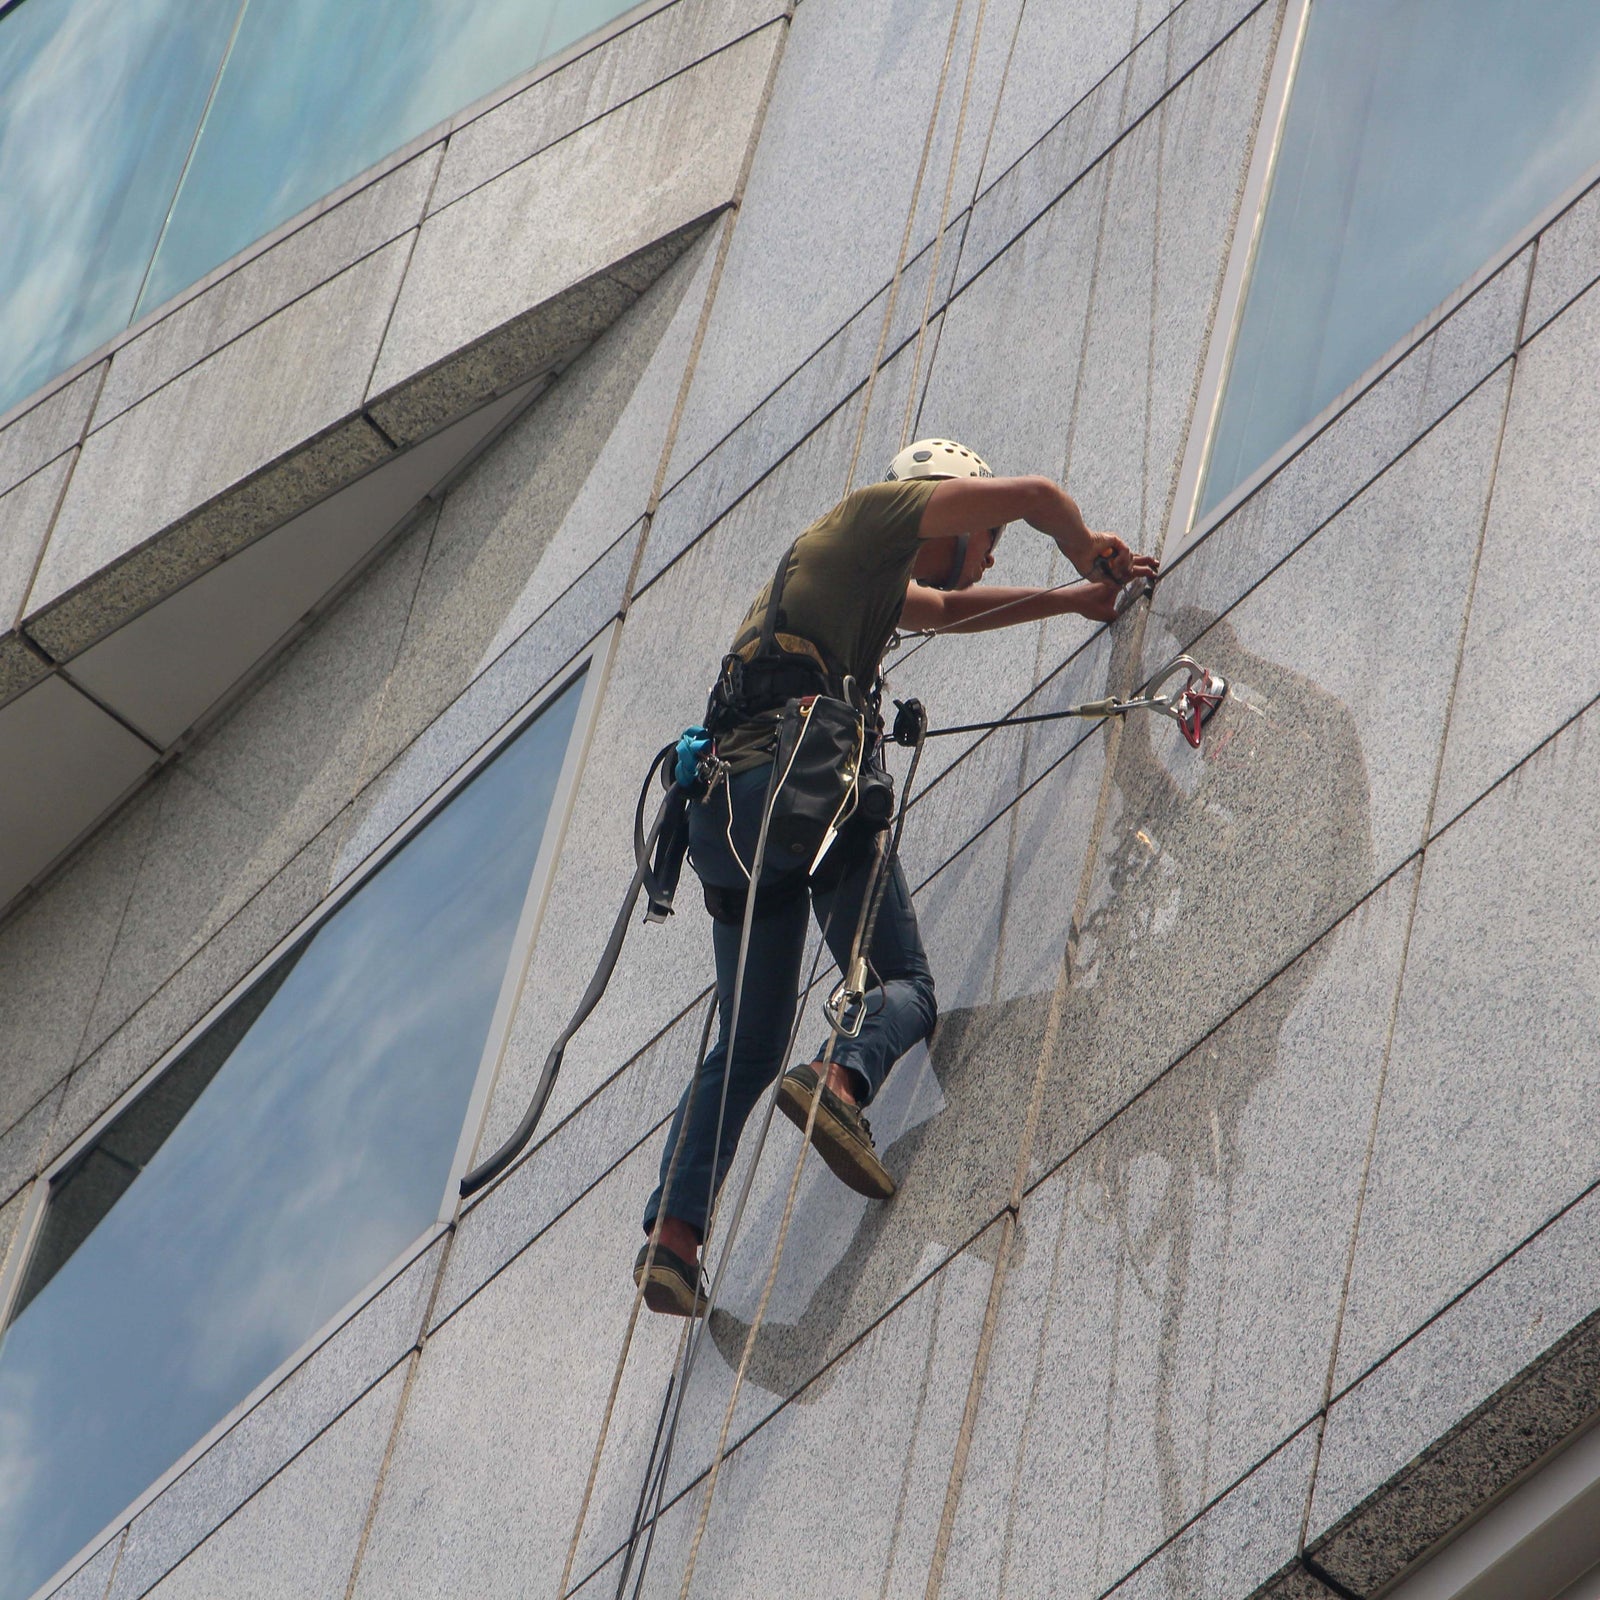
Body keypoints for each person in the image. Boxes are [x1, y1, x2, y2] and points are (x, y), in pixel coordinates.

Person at [634, 439, 1160, 1315]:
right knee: (906, 984)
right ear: (947, 507)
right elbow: (1035, 493)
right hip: (803, 790)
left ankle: (673, 1238)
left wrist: (1071, 603)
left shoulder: (850, 580)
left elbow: (947, 610)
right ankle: (841, 1080)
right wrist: (1085, 547)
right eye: (983, 535)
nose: (987, 553)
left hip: (727, 817)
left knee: (749, 1042)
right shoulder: (870, 517)